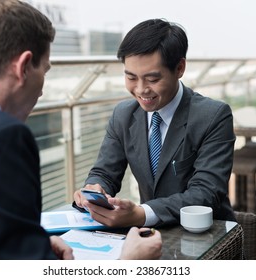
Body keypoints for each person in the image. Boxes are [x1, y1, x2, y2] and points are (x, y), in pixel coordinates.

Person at [0, 0, 162, 260]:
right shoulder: (1, 137)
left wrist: (29, 241)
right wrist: (128, 264)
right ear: (24, 66)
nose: (43, 90)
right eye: (44, 71)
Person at [74, 18, 236, 228]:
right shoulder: (123, 115)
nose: (141, 89)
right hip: (151, 234)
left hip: (207, 234)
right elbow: (105, 172)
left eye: (152, 79)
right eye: (131, 77)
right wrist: (95, 189)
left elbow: (205, 193)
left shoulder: (213, 116)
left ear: (179, 68)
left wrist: (142, 214)